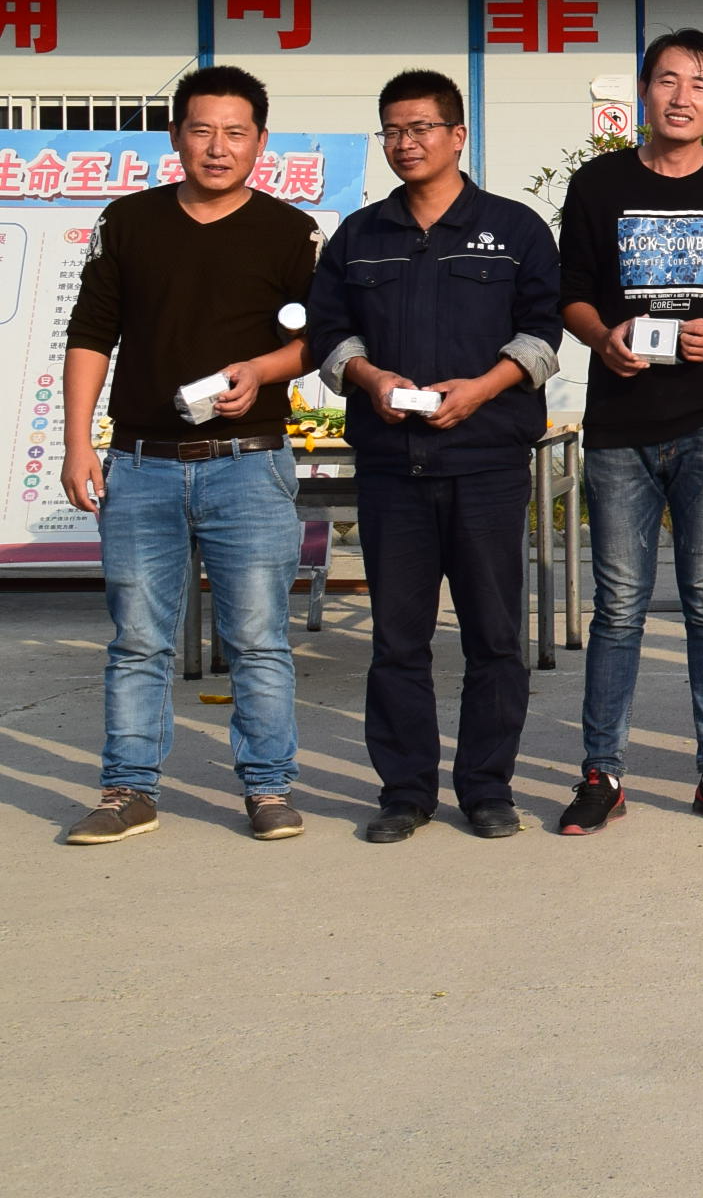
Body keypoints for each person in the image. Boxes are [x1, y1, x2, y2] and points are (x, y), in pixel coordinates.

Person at [60, 65, 319, 845]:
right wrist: (78, 444)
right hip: (141, 465)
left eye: (235, 133)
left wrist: (262, 371)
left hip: (250, 462)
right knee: (138, 640)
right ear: (176, 136)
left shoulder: (290, 231)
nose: (217, 147)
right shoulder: (129, 222)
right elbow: (90, 334)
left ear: (261, 142)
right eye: (202, 130)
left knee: (258, 640)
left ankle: (268, 789)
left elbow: (320, 340)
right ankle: (127, 790)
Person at [306, 70, 564, 842]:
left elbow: (544, 333)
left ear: (458, 136)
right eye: (392, 130)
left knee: (494, 637)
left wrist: (483, 389)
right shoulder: (360, 237)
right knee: (398, 641)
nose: (405, 142)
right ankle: (405, 792)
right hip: (393, 466)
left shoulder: (515, 230)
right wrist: (369, 377)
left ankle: (487, 788)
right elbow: (327, 334)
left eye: (420, 127)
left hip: (486, 465)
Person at [554, 28, 703, 834]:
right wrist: (602, 338)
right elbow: (571, 291)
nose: (681, 97)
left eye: (699, 84)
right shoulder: (599, 183)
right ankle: (603, 773)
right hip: (620, 428)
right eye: (667, 80)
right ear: (644, 91)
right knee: (619, 607)